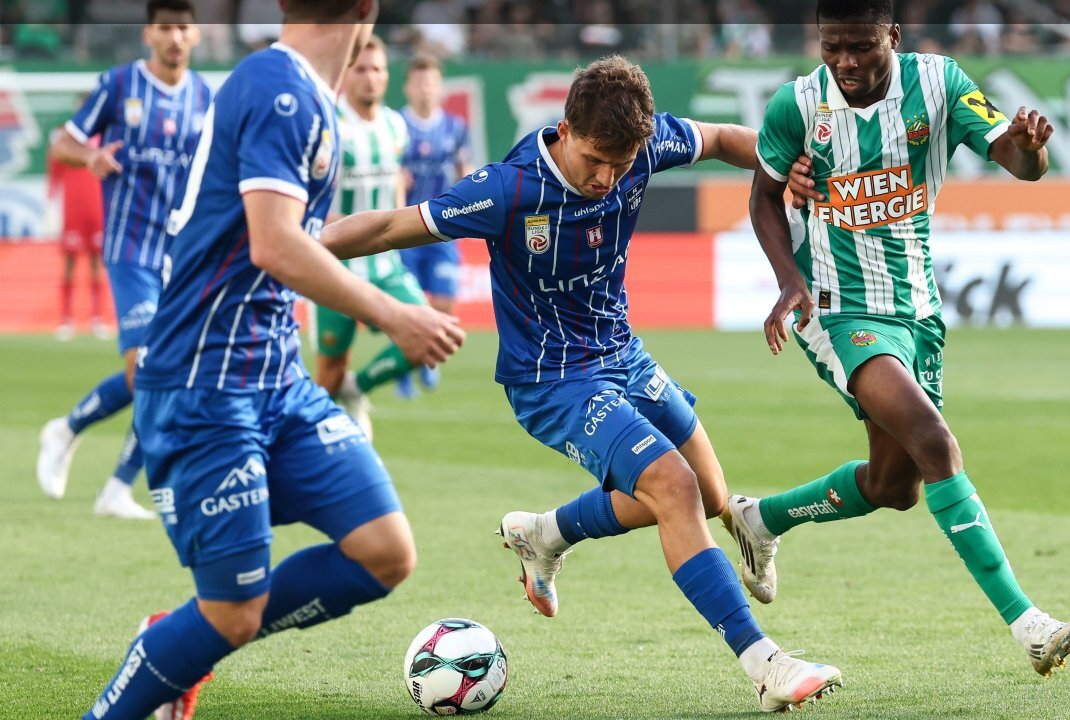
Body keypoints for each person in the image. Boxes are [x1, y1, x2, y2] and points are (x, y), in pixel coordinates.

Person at [321, 55, 842, 713]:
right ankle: (767, 665)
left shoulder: (644, 146)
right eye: (595, 159)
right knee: (674, 487)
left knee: (710, 496)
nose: (606, 178)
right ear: (565, 130)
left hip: (623, 354)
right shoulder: (508, 189)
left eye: (620, 166)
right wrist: (286, 246)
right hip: (551, 380)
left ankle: (546, 533)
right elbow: (389, 226)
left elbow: (717, 138)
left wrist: (781, 166)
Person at [79, 2, 465, 718]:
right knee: (232, 612)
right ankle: (179, 649)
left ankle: (180, 641)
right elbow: (275, 243)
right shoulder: (279, 88)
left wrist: (397, 237)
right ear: (367, 9)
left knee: (385, 551)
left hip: (276, 378)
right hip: (205, 381)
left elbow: (299, 235)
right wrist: (393, 313)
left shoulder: (305, 93)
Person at [725, 0, 1070, 679]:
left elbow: (1018, 160)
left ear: (892, 35)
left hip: (917, 310)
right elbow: (762, 197)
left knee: (896, 485)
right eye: (832, 46)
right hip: (837, 309)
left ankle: (761, 519)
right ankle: (1028, 623)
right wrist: (789, 281)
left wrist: (1032, 147)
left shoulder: (939, 83)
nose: (845, 61)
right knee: (935, 441)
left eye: (861, 46)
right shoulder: (797, 105)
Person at [37, 0, 211, 520]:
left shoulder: (206, 97)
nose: (175, 37)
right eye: (165, 28)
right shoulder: (119, 84)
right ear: (147, 34)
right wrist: (89, 155)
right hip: (131, 248)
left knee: (167, 373)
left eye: (183, 28)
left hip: (181, 254)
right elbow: (62, 141)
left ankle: (107, 477)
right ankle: (74, 438)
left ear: (196, 35)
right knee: (149, 368)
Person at [311, 34, 429, 437]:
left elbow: (395, 179)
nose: (370, 77)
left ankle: (357, 388)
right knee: (328, 371)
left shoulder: (395, 125)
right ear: (346, 73)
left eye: (377, 69)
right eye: (360, 69)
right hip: (335, 269)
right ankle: (308, 446)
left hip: (383, 264)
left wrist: (397, 222)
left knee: (426, 336)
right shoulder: (328, 123)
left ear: (386, 75)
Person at [396, 52, 472, 395]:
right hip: (403, 229)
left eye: (431, 82)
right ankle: (402, 367)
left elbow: (464, 170)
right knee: (407, 305)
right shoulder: (396, 124)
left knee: (444, 301)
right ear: (407, 87)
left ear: (440, 87)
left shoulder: (455, 128)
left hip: (443, 229)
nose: (425, 88)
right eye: (419, 82)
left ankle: (425, 359)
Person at [46, 129, 108, 342]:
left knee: (96, 265)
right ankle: (66, 319)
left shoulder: (101, 138)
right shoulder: (64, 141)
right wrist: (50, 206)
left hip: (96, 209)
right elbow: (54, 175)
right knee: (69, 266)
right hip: (73, 210)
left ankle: (97, 318)